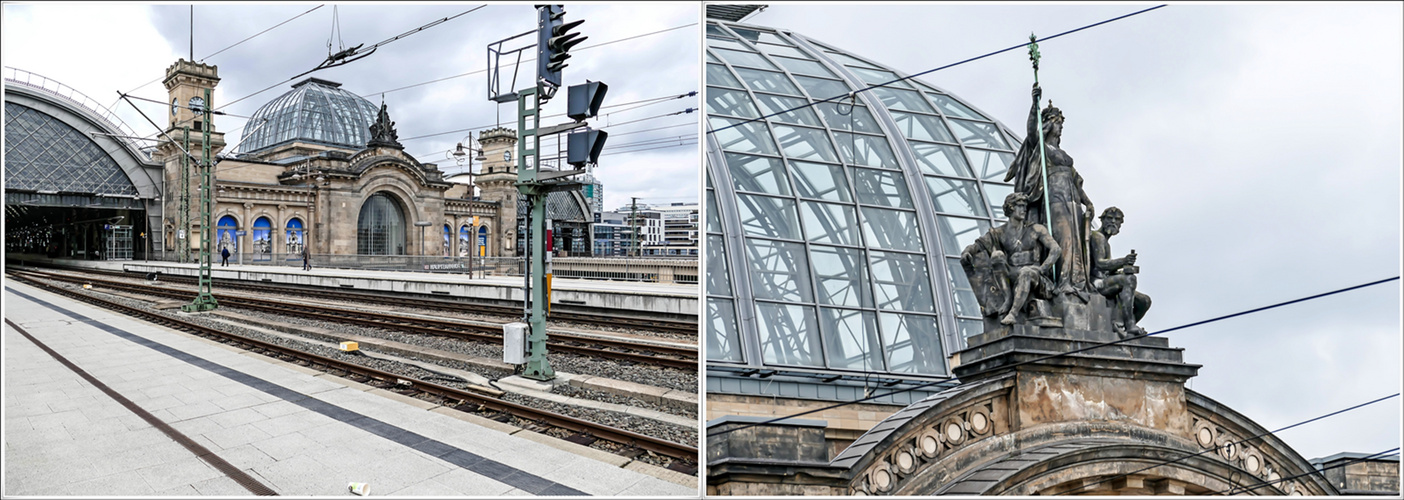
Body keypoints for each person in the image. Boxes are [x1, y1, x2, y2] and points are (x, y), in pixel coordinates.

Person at [1006, 84, 1095, 299]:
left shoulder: (1063, 154)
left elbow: (1076, 181)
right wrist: (1034, 104)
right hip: (1054, 198)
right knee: (1063, 238)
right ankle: (1063, 282)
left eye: (1061, 123)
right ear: (1048, 124)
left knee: (1074, 243)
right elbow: (1031, 133)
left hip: (1072, 199)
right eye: (1057, 123)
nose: (1061, 127)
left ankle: (1076, 282)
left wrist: (1088, 202)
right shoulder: (1042, 149)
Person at [961, 192, 1062, 325]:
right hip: (1012, 273)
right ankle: (1008, 297)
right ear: (1010, 207)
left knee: (1025, 272)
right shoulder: (1000, 233)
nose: (1024, 209)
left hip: (1035, 275)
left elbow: (1056, 249)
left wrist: (1042, 269)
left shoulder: (1036, 229)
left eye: (1025, 206)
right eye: (1020, 206)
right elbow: (978, 245)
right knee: (997, 256)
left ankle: (1013, 313)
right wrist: (967, 251)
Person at [1088, 207, 1151, 336]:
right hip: (1095, 283)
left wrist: (1121, 269)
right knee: (1130, 279)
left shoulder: (1106, 242)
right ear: (1102, 220)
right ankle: (1129, 325)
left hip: (1106, 281)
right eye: (1109, 218)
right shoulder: (1097, 237)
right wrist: (1123, 261)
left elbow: (1108, 268)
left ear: (1120, 224)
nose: (1113, 222)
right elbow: (1100, 263)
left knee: (1144, 301)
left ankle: (1120, 324)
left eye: (1117, 219)